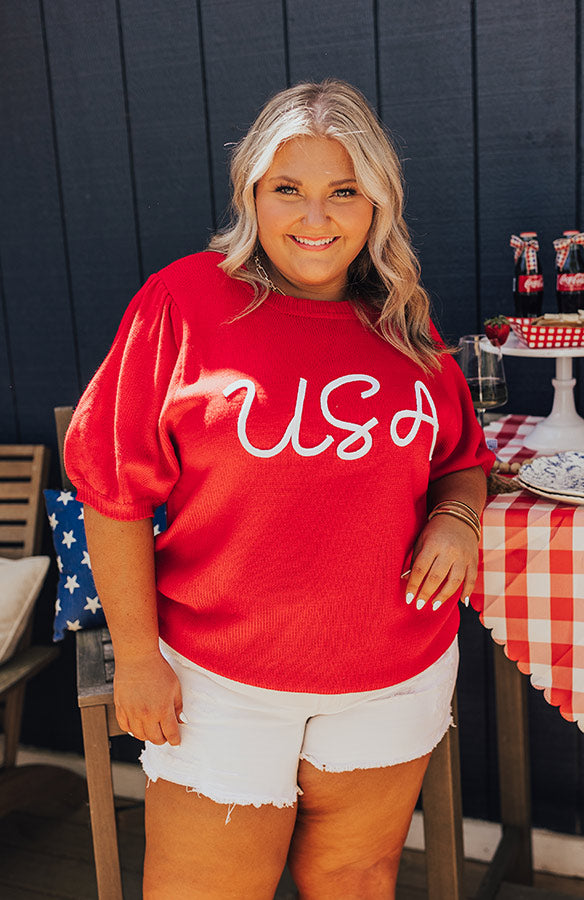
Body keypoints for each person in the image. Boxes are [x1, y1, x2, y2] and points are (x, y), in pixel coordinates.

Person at [64, 79, 494, 900]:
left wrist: (456, 518)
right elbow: (112, 491)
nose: (315, 219)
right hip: (218, 681)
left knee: (357, 879)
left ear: (377, 204)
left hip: (392, 672)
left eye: (344, 192)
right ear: (251, 195)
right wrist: (139, 658)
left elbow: (460, 457)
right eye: (287, 190)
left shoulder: (404, 319)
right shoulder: (182, 303)